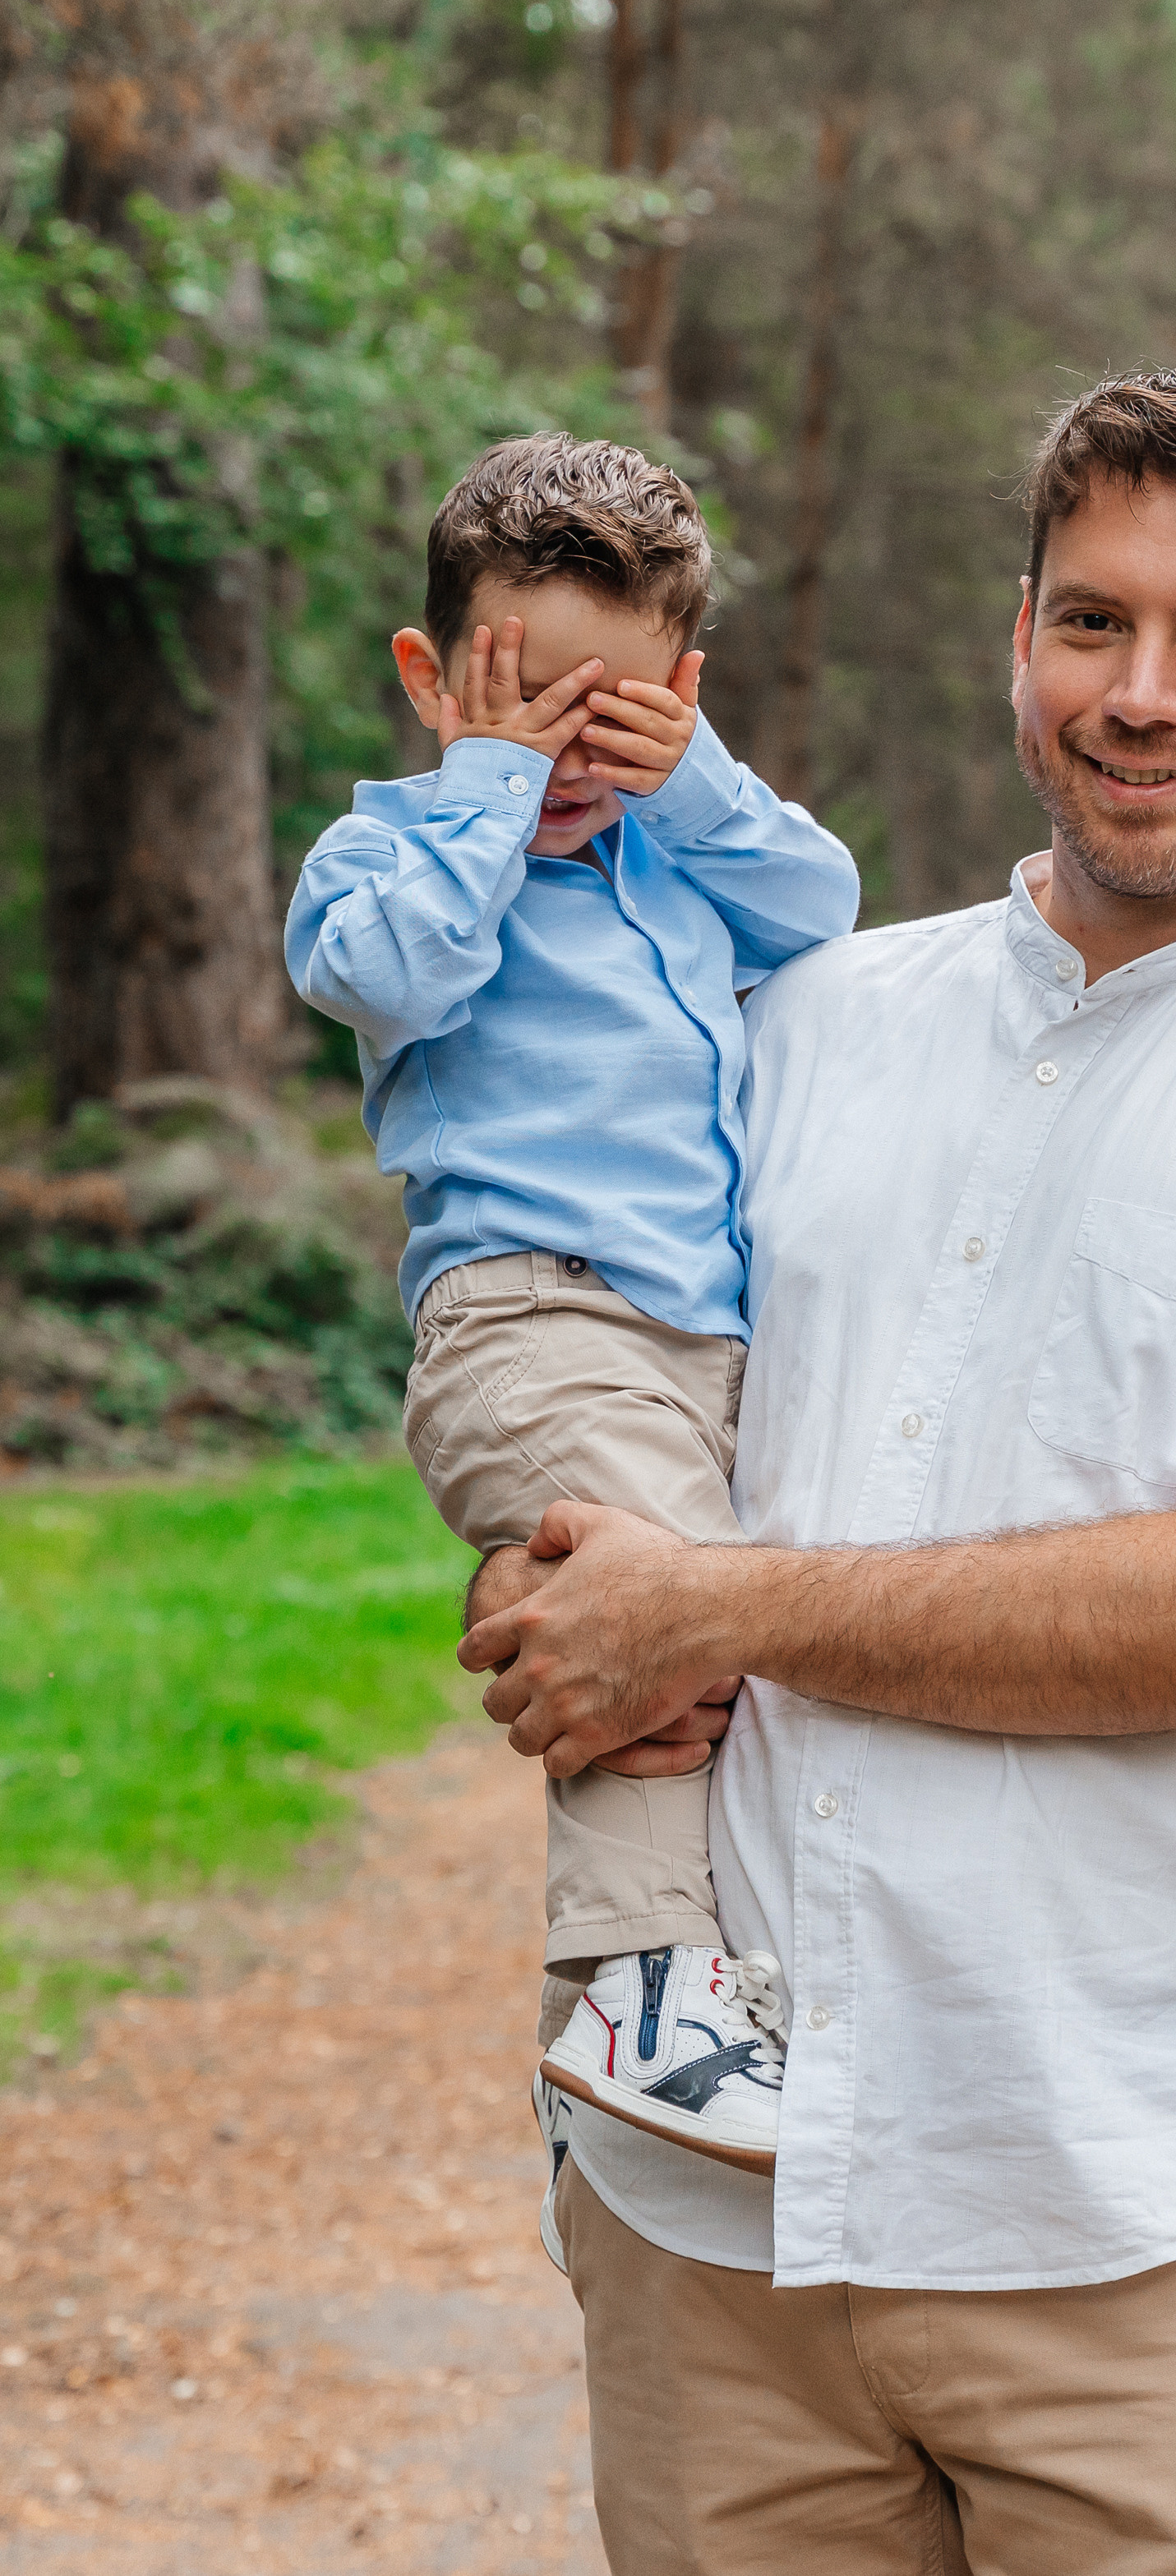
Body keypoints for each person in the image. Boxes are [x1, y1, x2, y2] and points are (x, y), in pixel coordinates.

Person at [462, 369, 1176, 2576]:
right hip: (711, 2222)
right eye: (1091, 622)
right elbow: (611, 1409)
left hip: (1136, 2216)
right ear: (1019, 639)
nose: (1142, 693)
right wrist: (547, 1571)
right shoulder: (791, 1024)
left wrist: (712, 1608)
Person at [284, 435, 861, 2177]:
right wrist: (482, 793)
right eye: (523, 703)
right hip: (529, 1323)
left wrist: (691, 784)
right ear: (432, 679)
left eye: (606, 718)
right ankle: (636, 1997)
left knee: (734, 1656)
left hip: (700, 1345)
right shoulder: (391, 859)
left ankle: (626, 2074)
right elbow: (381, 977)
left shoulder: (680, 865)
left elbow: (821, 907)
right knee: (662, 1614)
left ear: (675, 698)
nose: (562, 754)